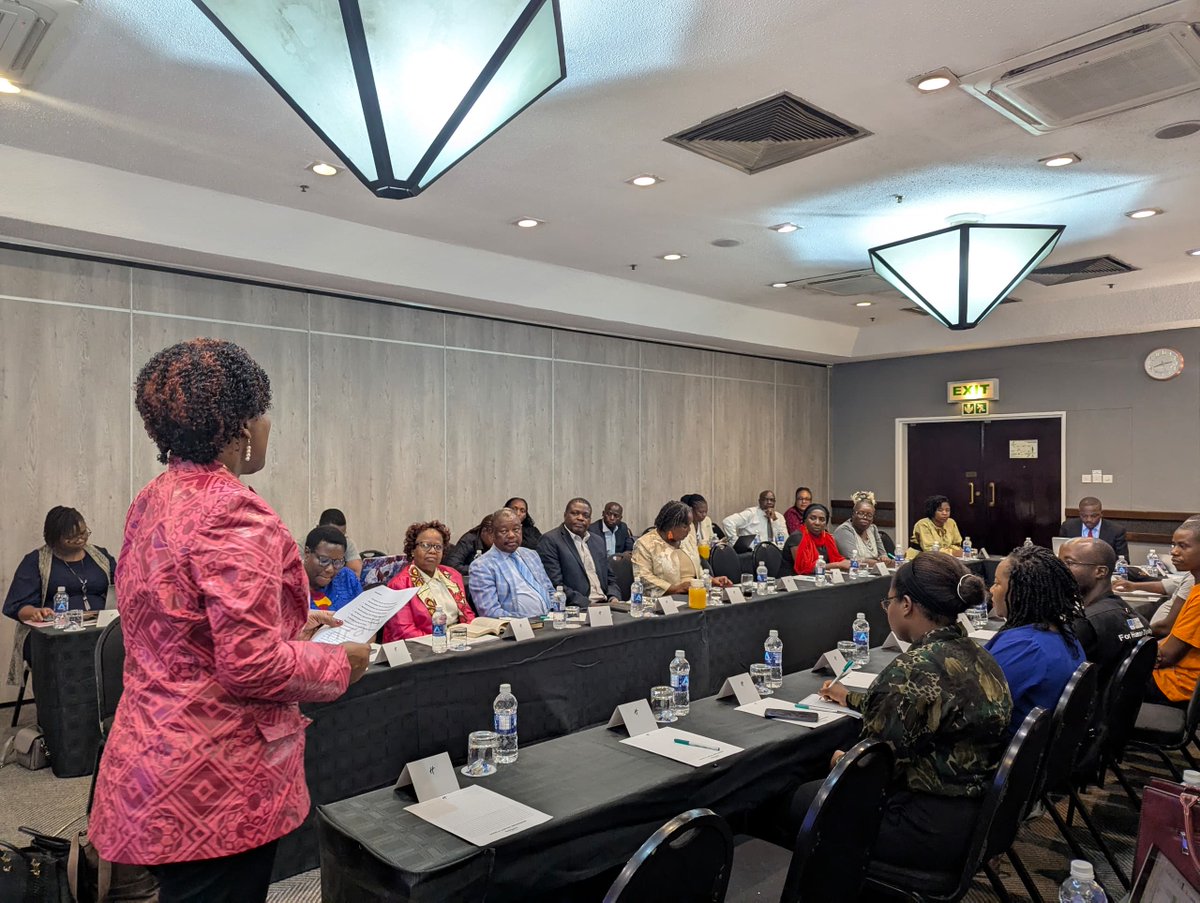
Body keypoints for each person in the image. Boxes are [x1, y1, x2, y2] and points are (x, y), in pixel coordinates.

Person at [89, 339, 369, 902]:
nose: (268, 427)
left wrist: (292, 632)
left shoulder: (154, 498)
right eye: (264, 414)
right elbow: (251, 666)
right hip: (214, 776)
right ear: (240, 426)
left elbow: (184, 625)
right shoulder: (233, 511)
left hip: (151, 753)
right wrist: (340, 661)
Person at [800, 554, 1011, 869]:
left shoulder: (913, 669)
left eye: (889, 603)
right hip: (977, 817)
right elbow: (926, 706)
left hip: (923, 825)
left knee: (799, 799)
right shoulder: (980, 656)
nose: (889, 610)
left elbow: (870, 773)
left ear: (907, 604)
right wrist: (852, 698)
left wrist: (836, 760)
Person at [4, 506, 119, 688]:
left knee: (122, 643)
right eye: (72, 537)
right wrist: (35, 612)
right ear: (54, 538)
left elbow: (124, 584)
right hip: (54, 634)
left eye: (83, 533)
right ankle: (65, 709)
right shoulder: (35, 561)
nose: (80, 539)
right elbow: (18, 605)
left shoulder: (101, 556)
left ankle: (110, 706)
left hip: (98, 628)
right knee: (68, 656)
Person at [986, 545, 1086, 734]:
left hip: (1004, 750)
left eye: (997, 583)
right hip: (1038, 747)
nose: (991, 590)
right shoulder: (1064, 633)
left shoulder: (1024, 648)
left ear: (1020, 590)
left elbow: (977, 703)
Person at [1059, 537, 1150, 692]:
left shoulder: (1086, 623)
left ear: (1100, 571)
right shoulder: (1136, 616)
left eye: (1069, 563)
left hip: (1089, 709)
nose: (1058, 569)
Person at [383, 521, 474, 641]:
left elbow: (467, 614)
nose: (432, 551)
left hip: (459, 640)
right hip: (424, 648)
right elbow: (403, 632)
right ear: (412, 550)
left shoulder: (452, 575)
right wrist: (443, 639)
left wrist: (474, 632)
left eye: (438, 547)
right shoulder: (399, 585)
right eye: (425, 545)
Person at [1147, 517, 1200, 708]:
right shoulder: (1195, 588)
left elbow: (1168, 656)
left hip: (1177, 684)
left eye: (1183, 546)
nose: (1173, 552)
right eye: (1173, 545)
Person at [469, 507, 555, 618]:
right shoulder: (482, 566)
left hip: (549, 621)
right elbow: (490, 612)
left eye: (516, 529)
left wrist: (555, 614)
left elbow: (550, 590)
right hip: (518, 628)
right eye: (504, 531)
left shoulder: (531, 555)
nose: (511, 535)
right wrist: (529, 623)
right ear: (492, 534)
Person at [634, 501, 732, 594]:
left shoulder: (687, 539)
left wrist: (710, 580)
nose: (689, 530)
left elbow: (698, 570)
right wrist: (675, 589)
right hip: (666, 599)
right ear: (671, 525)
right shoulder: (645, 544)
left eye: (690, 525)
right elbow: (643, 577)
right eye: (685, 526)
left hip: (695, 593)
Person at [540, 498, 622, 606]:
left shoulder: (598, 541)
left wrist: (614, 597)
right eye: (575, 513)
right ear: (565, 515)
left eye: (585, 516)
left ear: (590, 520)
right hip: (578, 608)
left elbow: (610, 577)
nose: (580, 518)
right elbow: (555, 584)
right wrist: (588, 604)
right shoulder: (551, 540)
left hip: (606, 604)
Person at [304, 525, 363, 612]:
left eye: (338, 562)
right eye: (324, 560)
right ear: (307, 553)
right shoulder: (288, 586)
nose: (330, 569)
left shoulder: (347, 578)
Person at [1059, 496, 1129, 562]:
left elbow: (1123, 561)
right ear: (1079, 513)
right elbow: (1061, 555)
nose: (1089, 519)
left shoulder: (1116, 531)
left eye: (1094, 516)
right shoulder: (1068, 527)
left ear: (1101, 513)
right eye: (1084, 516)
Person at [792, 504, 850, 575]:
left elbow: (837, 559)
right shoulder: (797, 537)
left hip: (819, 578)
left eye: (822, 519)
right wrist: (837, 565)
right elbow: (803, 569)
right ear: (805, 520)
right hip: (792, 581)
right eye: (812, 518)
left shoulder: (828, 538)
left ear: (826, 524)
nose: (817, 523)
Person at [833, 493, 889, 564]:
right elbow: (854, 559)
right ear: (853, 514)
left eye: (869, 515)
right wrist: (879, 563)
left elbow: (883, 554)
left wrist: (884, 558)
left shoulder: (872, 528)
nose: (865, 517)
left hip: (874, 571)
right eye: (861, 513)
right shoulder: (844, 530)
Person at [723, 490, 788, 545]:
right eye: (766, 499)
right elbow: (728, 522)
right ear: (759, 501)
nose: (769, 502)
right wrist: (735, 543)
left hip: (773, 552)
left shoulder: (779, 517)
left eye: (772, 500)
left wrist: (775, 520)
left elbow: (785, 539)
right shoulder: (751, 513)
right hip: (752, 553)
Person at [443, 514, 494, 579]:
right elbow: (452, 566)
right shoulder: (469, 540)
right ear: (484, 531)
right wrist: (478, 570)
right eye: (495, 536)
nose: (498, 539)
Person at [316, 508, 363, 577]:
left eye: (342, 535)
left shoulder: (346, 542)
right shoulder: (303, 545)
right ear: (318, 529)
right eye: (332, 535)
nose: (338, 540)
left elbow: (355, 573)